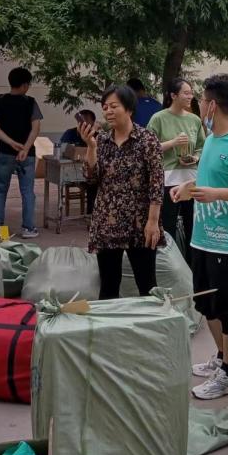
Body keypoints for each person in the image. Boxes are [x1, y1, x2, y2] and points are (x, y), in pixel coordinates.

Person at [171, 74, 228, 400]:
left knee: (227, 310)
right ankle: (223, 356)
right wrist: (188, 188)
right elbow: (209, 180)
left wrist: (215, 194)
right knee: (205, 304)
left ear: (212, 105)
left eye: (202, 100)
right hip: (202, 238)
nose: (199, 105)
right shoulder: (211, 140)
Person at [79, 85, 163, 299]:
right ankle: (109, 321)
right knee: (108, 287)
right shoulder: (102, 141)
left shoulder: (147, 140)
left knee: (147, 286)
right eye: (105, 107)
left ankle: (151, 320)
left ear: (129, 109)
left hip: (140, 223)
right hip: (107, 222)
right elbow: (90, 178)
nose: (108, 111)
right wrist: (91, 147)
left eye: (114, 106)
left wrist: (153, 221)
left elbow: (156, 183)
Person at [148, 79, 205, 262]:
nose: (190, 96)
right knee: (168, 226)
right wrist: (172, 143)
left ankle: (192, 266)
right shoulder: (158, 118)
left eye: (191, 93)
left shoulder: (194, 120)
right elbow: (148, 148)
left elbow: (202, 147)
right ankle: (170, 264)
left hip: (191, 179)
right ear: (173, 95)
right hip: (167, 179)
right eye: (186, 93)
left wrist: (195, 157)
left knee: (192, 225)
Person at [0, 67, 43, 238]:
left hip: (4, 152)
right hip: (27, 155)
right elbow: (36, 128)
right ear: (25, 85)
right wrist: (25, 148)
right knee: (27, 191)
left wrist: (10, 142)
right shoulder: (31, 102)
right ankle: (28, 228)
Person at [59, 109, 98, 214]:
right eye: (82, 121)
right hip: (71, 170)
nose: (84, 124)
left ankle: (91, 214)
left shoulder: (96, 136)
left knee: (93, 184)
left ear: (92, 123)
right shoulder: (70, 133)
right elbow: (62, 149)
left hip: (89, 172)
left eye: (87, 121)